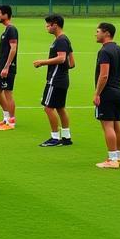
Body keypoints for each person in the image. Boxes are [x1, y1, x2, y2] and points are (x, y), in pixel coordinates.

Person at [33, 14, 74, 147]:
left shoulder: (61, 40)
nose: (47, 27)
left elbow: (62, 58)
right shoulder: (65, 39)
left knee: (48, 108)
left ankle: (55, 138)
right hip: (63, 79)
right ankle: (66, 137)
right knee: (60, 108)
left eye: (48, 24)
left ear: (55, 24)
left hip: (55, 80)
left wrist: (42, 62)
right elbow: (72, 63)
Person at [93, 22, 120, 169]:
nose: (96, 34)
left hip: (107, 92)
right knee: (117, 124)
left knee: (108, 126)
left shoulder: (104, 51)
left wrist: (97, 93)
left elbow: (104, 75)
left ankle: (112, 159)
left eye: (98, 31)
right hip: (118, 91)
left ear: (106, 33)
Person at [0, 5, 18, 130]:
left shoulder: (12, 29)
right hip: (2, 67)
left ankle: (11, 122)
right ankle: (6, 118)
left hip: (7, 68)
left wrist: (7, 67)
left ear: (6, 15)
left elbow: (13, 48)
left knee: (8, 93)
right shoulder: (6, 30)